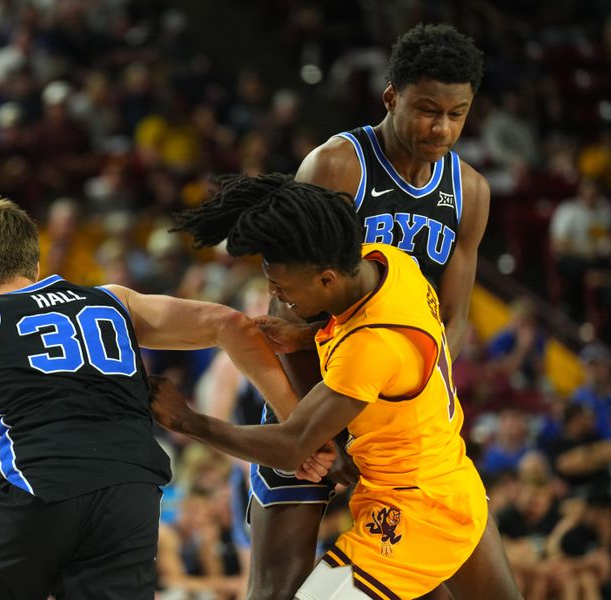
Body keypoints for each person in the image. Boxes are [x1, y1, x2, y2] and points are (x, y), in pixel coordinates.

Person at [0, 194, 322, 600]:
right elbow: (231, 324)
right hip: (132, 495)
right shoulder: (113, 300)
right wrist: (297, 431)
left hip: (41, 490)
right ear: (35, 260)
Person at [163, 173, 521, 599]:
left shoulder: (372, 347)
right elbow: (353, 325)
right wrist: (303, 335)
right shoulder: (389, 263)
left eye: (282, 288)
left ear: (327, 279)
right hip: (441, 477)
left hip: (418, 508)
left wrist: (189, 421)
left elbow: (293, 445)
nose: (275, 295)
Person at [233, 23, 491, 598]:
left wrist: (420, 422)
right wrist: (318, 432)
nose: (441, 127)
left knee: (426, 584)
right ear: (392, 98)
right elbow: (288, 311)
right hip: (309, 400)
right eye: (427, 110)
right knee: (277, 589)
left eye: (457, 113)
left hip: (397, 424)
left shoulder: (469, 191)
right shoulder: (337, 167)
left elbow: (452, 321)